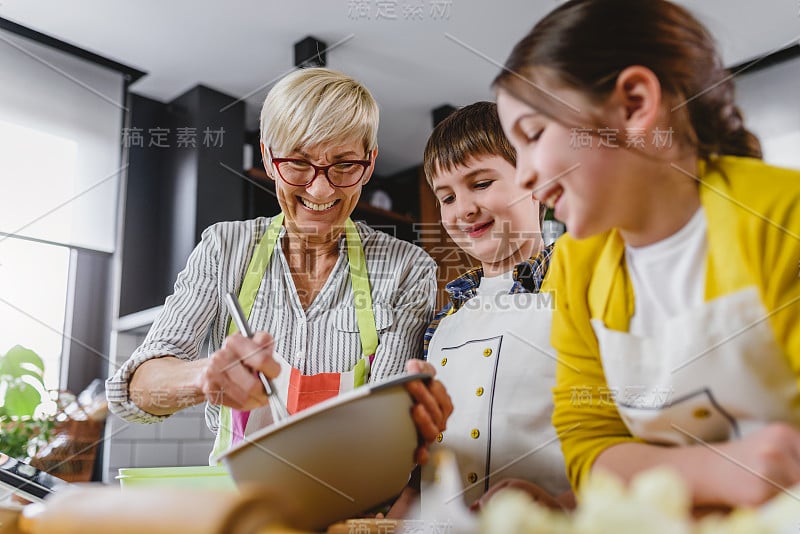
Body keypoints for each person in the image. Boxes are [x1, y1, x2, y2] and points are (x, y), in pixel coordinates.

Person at [494, 0, 800, 510]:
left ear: (634, 105)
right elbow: (587, 440)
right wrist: (715, 470)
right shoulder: (573, 267)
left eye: (533, 135)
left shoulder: (781, 217)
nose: (523, 174)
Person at [107, 68, 452, 466]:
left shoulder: (408, 268)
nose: (321, 189)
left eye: (344, 165)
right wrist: (204, 377)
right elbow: (132, 391)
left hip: (355, 504)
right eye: (298, 163)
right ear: (269, 159)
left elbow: (388, 424)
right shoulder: (226, 248)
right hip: (241, 509)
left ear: (369, 163)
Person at [389, 101, 571, 518]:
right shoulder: (440, 323)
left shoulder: (584, 282)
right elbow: (426, 459)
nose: (464, 209)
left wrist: (563, 506)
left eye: (482, 183)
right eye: (447, 196)